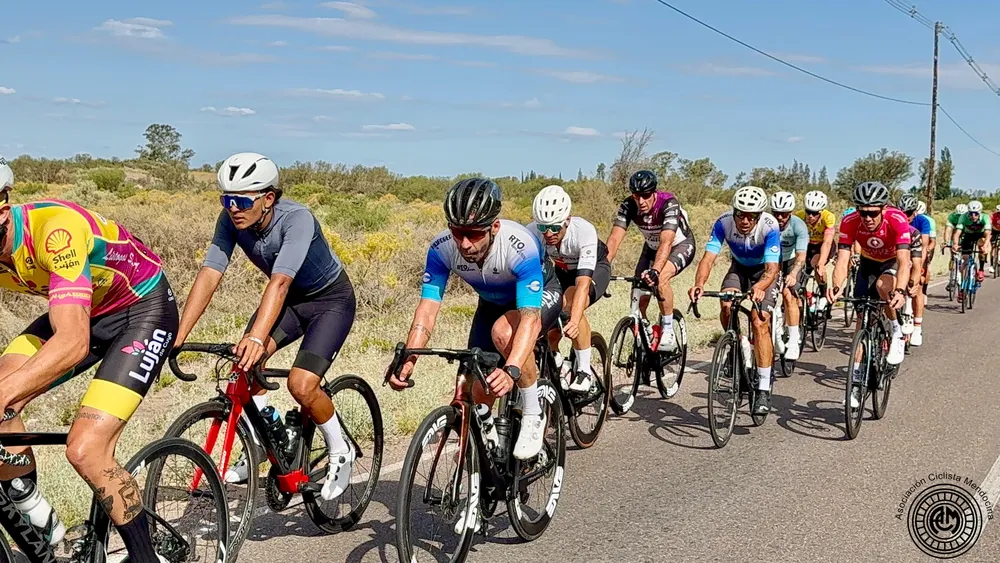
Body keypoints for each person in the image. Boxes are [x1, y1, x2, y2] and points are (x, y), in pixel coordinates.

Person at [0, 193, 178, 563]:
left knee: (87, 449)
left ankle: (147, 559)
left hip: (141, 308)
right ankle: (33, 510)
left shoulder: (54, 231)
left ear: (2, 211)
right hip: (82, 307)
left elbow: (72, 342)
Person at [174, 152, 356, 500]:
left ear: (268, 198)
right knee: (242, 369)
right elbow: (210, 273)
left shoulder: (297, 219)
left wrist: (258, 336)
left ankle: (340, 447)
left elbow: (279, 282)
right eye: (226, 200)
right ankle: (261, 441)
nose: (233, 208)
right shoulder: (229, 221)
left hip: (329, 302)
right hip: (288, 302)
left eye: (241, 200)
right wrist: (180, 336)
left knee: (301, 385)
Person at [386, 178, 563, 461]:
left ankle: (533, 411)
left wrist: (512, 370)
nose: (465, 244)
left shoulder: (520, 246)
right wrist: (410, 357)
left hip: (539, 296)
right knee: (478, 387)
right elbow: (427, 309)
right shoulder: (441, 249)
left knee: (505, 333)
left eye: (474, 234)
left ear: (494, 227)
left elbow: (530, 319)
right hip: (492, 303)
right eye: (457, 232)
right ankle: (491, 444)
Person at [689, 186, 781, 415]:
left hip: (763, 273)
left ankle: (762, 387)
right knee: (726, 304)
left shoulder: (770, 226)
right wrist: (699, 284)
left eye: (751, 216)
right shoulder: (723, 223)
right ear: (734, 211)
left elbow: (772, 269)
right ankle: (737, 343)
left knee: (759, 319)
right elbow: (708, 258)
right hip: (738, 268)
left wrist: (759, 288)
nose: (745, 220)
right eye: (740, 214)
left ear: (759, 216)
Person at [828, 181, 912, 402]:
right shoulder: (850, 221)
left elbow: (904, 262)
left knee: (883, 287)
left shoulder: (897, 219)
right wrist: (836, 286)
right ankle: (856, 382)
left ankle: (896, 331)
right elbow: (843, 259)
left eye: (873, 213)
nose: (868, 218)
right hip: (868, 262)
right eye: (863, 213)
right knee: (861, 321)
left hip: (892, 261)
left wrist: (901, 291)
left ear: (883, 209)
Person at [526, 185, 611, 393]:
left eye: (555, 228)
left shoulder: (583, 231)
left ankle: (584, 371)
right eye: (543, 227)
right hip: (562, 271)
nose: (548, 234)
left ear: (567, 219)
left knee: (571, 305)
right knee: (551, 326)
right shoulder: (532, 233)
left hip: (594, 268)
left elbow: (582, 284)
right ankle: (558, 362)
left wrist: (573, 319)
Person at [605, 170, 695, 354]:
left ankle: (668, 329)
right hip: (651, 247)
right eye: (637, 196)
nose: (641, 201)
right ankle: (647, 334)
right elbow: (614, 239)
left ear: (654, 192)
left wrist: (655, 270)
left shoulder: (668, 203)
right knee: (637, 296)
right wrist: (603, 268)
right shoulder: (629, 205)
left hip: (679, 245)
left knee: (660, 279)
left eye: (646, 196)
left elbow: (666, 242)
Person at [770, 190, 808, 361]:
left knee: (788, 293)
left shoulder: (798, 226)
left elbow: (801, 256)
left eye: (783, 214)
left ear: (790, 213)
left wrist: (793, 274)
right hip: (773, 261)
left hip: (792, 261)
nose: (779, 218)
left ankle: (794, 339)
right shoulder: (767, 224)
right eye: (776, 213)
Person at [794, 190, 836, 316]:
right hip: (807, 245)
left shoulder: (828, 217)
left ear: (821, 212)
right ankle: (805, 296)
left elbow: (827, 242)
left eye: (814, 213)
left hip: (823, 245)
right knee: (801, 271)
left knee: (817, 264)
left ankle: (824, 295)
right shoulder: (799, 216)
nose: (810, 216)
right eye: (808, 212)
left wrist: (822, 264)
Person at [898, 194, 930, 347]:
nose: (905, 217)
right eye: (902, 213)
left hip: (917, 253)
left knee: (917, 287)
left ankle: (917, 326)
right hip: (900, 255)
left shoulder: (922, 221)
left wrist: (919, 268)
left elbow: (923, 247)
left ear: (915, 213)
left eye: (909, 213)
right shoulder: (895, 222)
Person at [950, 199, 992, 299]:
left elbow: (988, 233)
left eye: (976, 214)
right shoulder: (963, 217)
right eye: (971, 214)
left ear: (980, 213)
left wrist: (985, 246)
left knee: (982, 246)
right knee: (965, 261)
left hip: (980, 235)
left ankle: (981, 269)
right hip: (968, 235)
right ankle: (962, 288)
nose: (973, 216)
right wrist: (955, 244)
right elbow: (957, 233)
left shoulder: (985, 218)